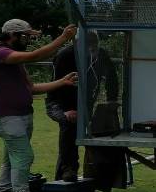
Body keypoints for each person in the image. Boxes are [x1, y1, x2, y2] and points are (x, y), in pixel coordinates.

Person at [0, 19, 78, 192]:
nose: (27, 40)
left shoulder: (15, 63)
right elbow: (35, 56)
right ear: (12, 35)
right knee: (24, 156)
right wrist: (63, 38)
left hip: (21, 114)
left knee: (12, 157)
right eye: (24, 36)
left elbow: (31, 88)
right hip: (7, 117)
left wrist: (62, 82)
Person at [46, 31, 119, 182]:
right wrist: (66, 109)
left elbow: (112, 76)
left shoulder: (100, 55)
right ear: (78, 43)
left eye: (94, 45)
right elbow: (56, 85)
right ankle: (68, 169)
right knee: (69, 125)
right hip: (58, 103)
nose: (92, 49)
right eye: (89, 45)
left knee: (93, 132)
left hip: (84, 104)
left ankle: (93, 174)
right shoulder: (65, 55)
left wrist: (112, 100)